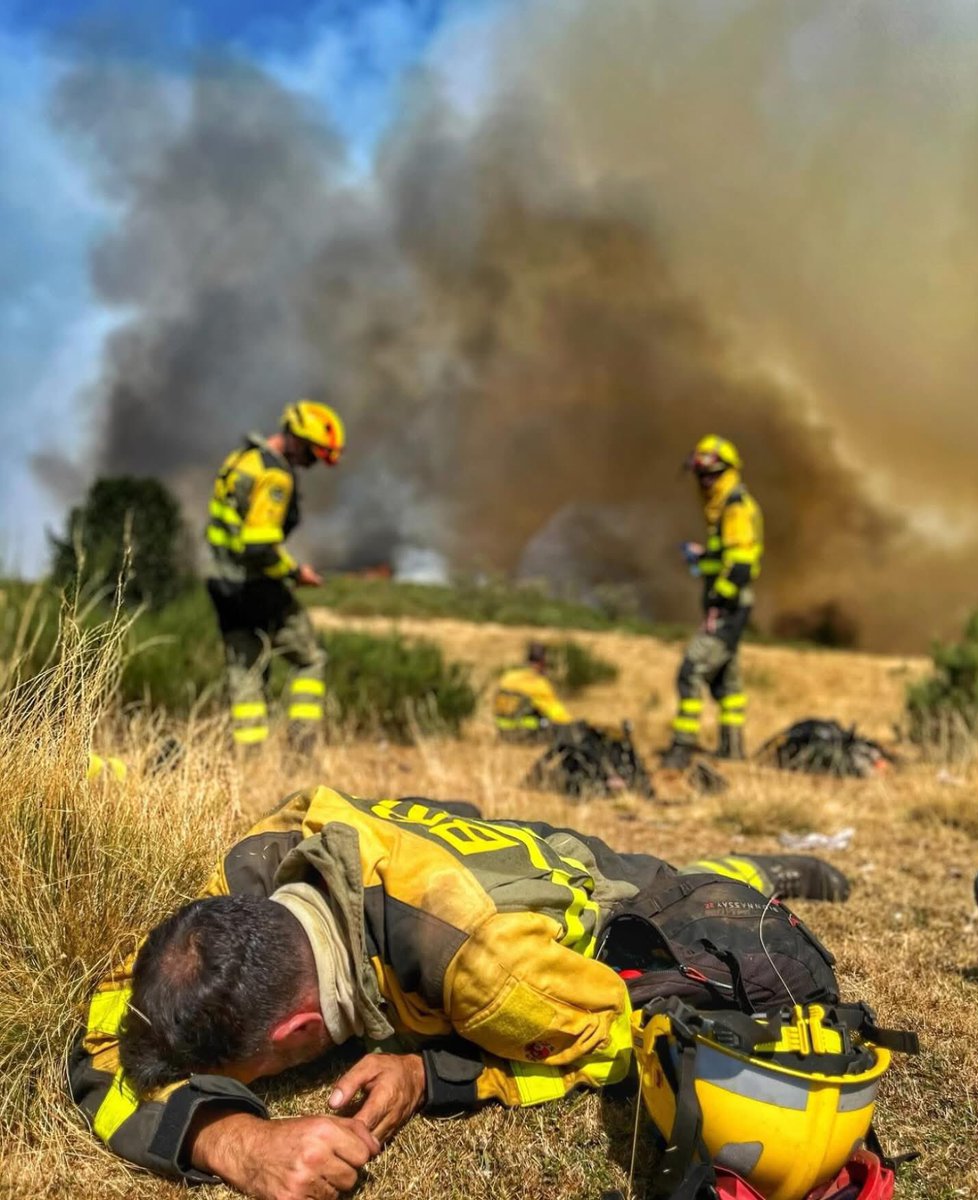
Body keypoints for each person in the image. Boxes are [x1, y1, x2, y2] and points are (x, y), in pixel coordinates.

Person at [70, 788, 851, 1200]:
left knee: (688, 889)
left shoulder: (489, 974)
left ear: (297, 1033)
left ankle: (761, 868)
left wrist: (431, 1073)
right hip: (462, 862)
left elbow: (618, 1044)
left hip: (606, 893)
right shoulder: (249, 877)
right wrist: (230, 1140)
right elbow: (109, 1041)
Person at [205, 401, 345, 752]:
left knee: (245, 671)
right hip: (256, 584)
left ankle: (248, 759)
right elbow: (259, 545)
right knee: (310, 659)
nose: (310, 464)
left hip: (222, 584)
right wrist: (297, 572)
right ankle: (301, 749)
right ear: (295, 439)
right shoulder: (275, 475)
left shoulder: (241, 460)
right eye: (312, 455)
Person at [663, 435, 763, 768]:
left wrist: (719, 601)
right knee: (726, 682)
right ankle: (732, 749)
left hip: (728, 609)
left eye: (711, 475)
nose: (705, 482)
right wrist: (703, 557)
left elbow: (741, 565)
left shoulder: (734, 506)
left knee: (691, 670)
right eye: (700, 476)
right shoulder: (724, 507)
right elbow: (728, 558)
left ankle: (682, 749)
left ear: (728, 472)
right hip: (730, 606)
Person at [493, 642, 572, 739]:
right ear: (542, 662)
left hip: (504, 733)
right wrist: (573, 726)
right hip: (525, 734)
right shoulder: (537, 683)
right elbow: (557, 714)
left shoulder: (507, 677)